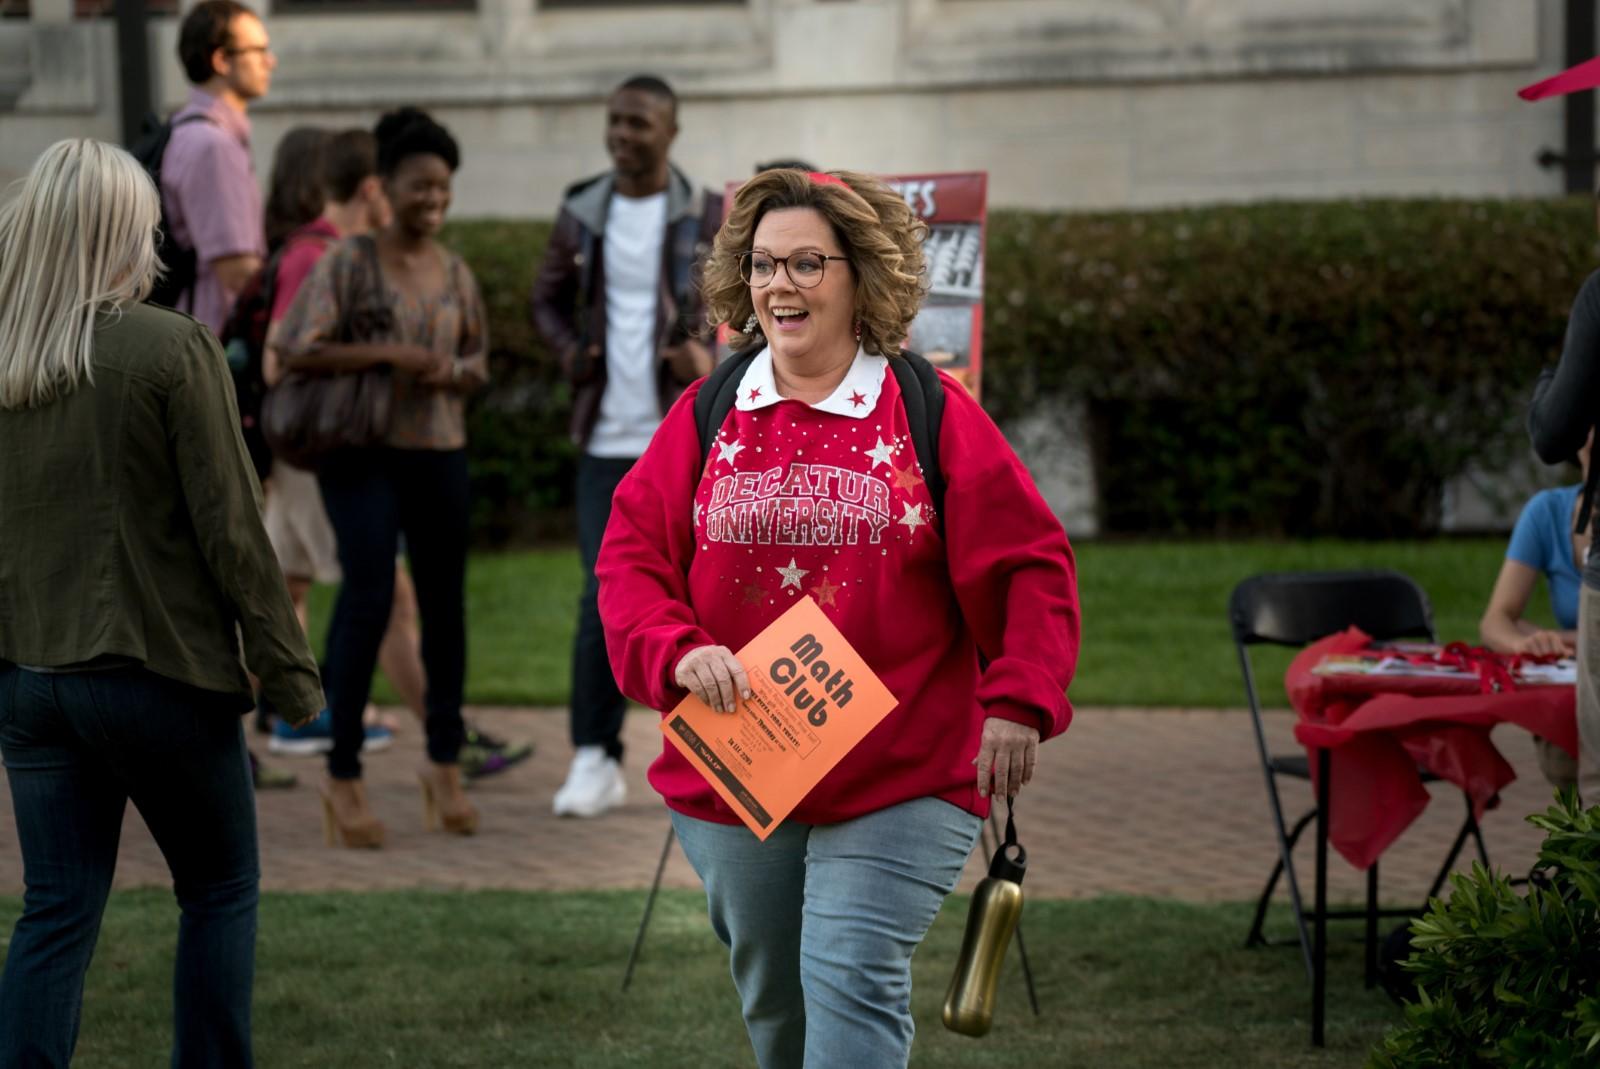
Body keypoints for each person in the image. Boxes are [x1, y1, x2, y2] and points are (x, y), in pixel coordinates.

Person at [596, 168, 1080, 1068]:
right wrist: (675, 652)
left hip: (903, 767)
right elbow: (631, 560)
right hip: (740, 766)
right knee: (779, 1004)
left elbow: (1031, 565)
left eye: (808, 263)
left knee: (850, 970)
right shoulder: (708, 412)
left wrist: (1017, 697)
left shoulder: (930, 410)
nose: (781, 285)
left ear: (862, 275)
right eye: (763, 264)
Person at [0, 138, 321, 1068]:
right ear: (121, 232)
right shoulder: (169, 347)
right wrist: (291, 671)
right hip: (157, 675)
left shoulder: (13, 358)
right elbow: (232, 528)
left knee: (55, 910)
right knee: (219, 888)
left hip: (30, 682)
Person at [262, 127, 530, 779]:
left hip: (440, 450)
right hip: (363, 454)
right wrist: (391, 355)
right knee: (369, 597)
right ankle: (344, 770)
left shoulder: (456, 271)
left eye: (443, 186)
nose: (433, 198)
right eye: (420, 185)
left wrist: (456, 372)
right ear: (385, 187)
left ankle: (444, 761)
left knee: (445, 606)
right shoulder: (349, 262)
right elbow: (295, 347)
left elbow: (478, 361)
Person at [530, 73, 721, 818]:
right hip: (606, 436)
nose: (622, 135)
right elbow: (545, 297)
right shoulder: (581, 211)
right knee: (600, 595)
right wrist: (572, 352)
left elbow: (741, 302)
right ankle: (594, 755)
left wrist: (703, 361)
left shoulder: (708, 212)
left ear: (671, 130)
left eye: (639, 123)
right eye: (615, 121)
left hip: (684, 438)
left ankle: (717, 751)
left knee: (706, 594)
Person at [160, 0, 274, 332]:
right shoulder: (212, 146)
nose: (271, 61)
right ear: (222, 60)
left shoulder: (190, 129)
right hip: (215, 338)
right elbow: (237, 271)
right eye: (259, 50)